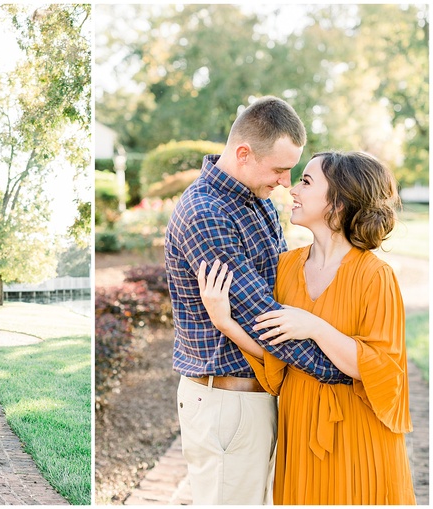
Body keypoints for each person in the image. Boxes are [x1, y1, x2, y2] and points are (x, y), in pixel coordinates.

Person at [199, 151, 416, 504]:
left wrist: (314, 326)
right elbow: (276, 358)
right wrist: (224, 322)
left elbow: (381, 372)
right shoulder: (285, 267)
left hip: (360, 437)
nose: (292, 189)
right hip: (299, 434)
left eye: (306, 181)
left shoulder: (376, 277)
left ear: (339, 203)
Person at [165, 96, 351, 505]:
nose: (286, 182)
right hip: (226, 404)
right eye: (280, 169)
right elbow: (263, 317)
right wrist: (343, 372)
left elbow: (284, 288)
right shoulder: (207, 213)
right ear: (244, 154)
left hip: (259, 396)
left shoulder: (258, 201)